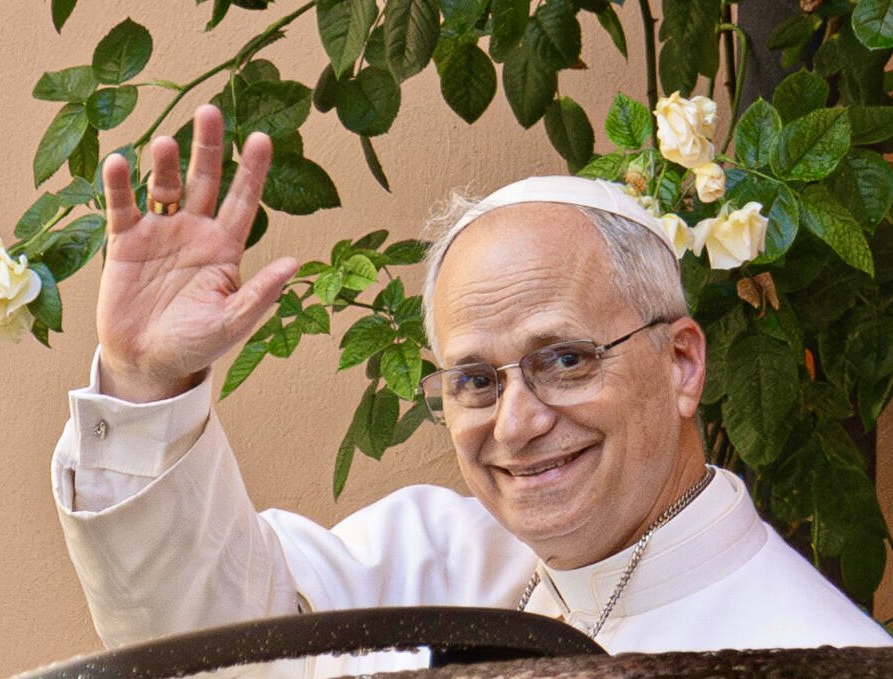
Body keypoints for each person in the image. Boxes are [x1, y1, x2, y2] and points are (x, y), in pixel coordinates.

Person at [52, 105, 891, 674]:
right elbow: (215, 647)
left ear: (680, 363)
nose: (517, 423)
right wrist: (147, 380)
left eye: (564, 358)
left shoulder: (814, 651)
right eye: (476, 379)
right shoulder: (428, 558)